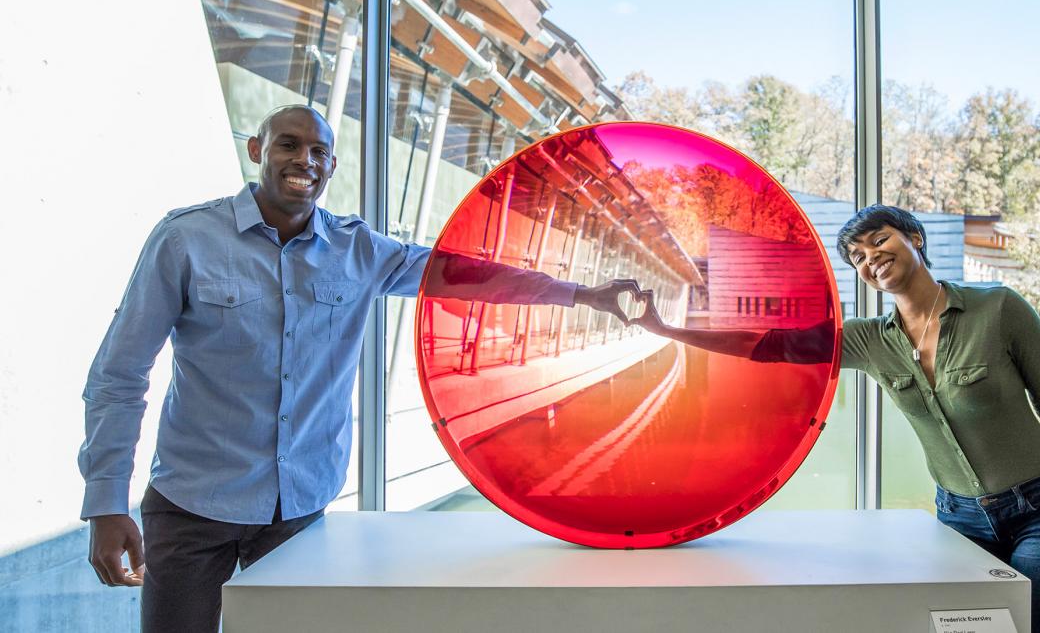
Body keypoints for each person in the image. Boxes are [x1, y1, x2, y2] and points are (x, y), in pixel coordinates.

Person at [79, 105, 638, 632]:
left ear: (332, 166)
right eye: (289, 145)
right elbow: (119, 375)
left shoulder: (360, 251)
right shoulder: (186, 239)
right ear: (256, 150)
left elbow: (467, 276)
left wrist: (582, 293)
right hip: (192, 509)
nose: (305, 161)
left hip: (298, 513)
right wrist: (106, 502)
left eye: (319, 151)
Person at [629, 204, 1040, 633]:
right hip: (960, 520)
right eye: (858, 258)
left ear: (915, 237)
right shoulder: (869, 340)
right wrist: (669, 328)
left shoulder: (999, 308)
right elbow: (766, 344)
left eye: (879, 240)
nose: (871, 258)